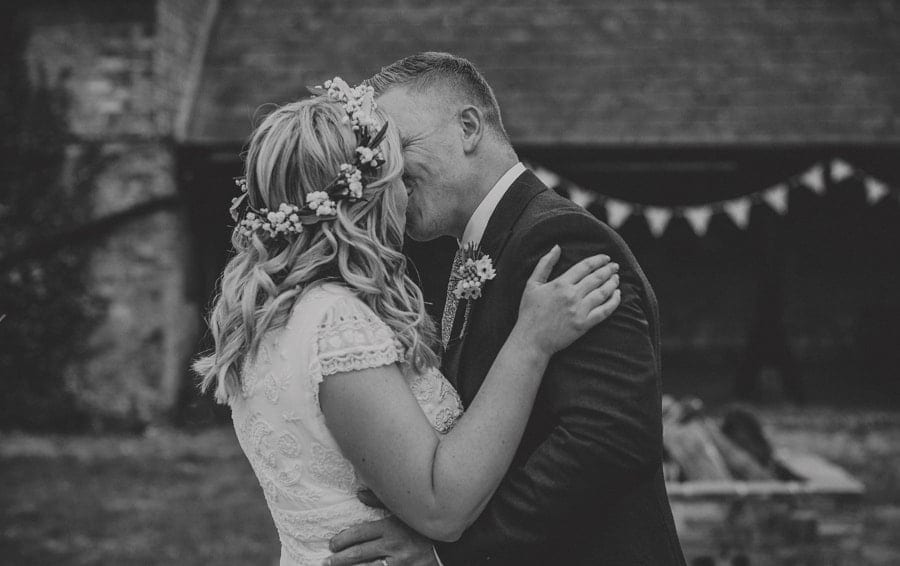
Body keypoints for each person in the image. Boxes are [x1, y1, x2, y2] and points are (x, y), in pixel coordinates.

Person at [193, 77, 621, 566]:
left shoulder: (274, 318)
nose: (406, 188)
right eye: (396, 174)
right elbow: (441, 507)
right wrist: (531, 341)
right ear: (366, 195)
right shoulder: (335, 324)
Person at [326, 53, 686, 565]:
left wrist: (453, 548)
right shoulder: (487, 244)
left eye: (401, 146)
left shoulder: (560, 240)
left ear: (469, 127)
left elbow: (611, 437)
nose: (388, 173)